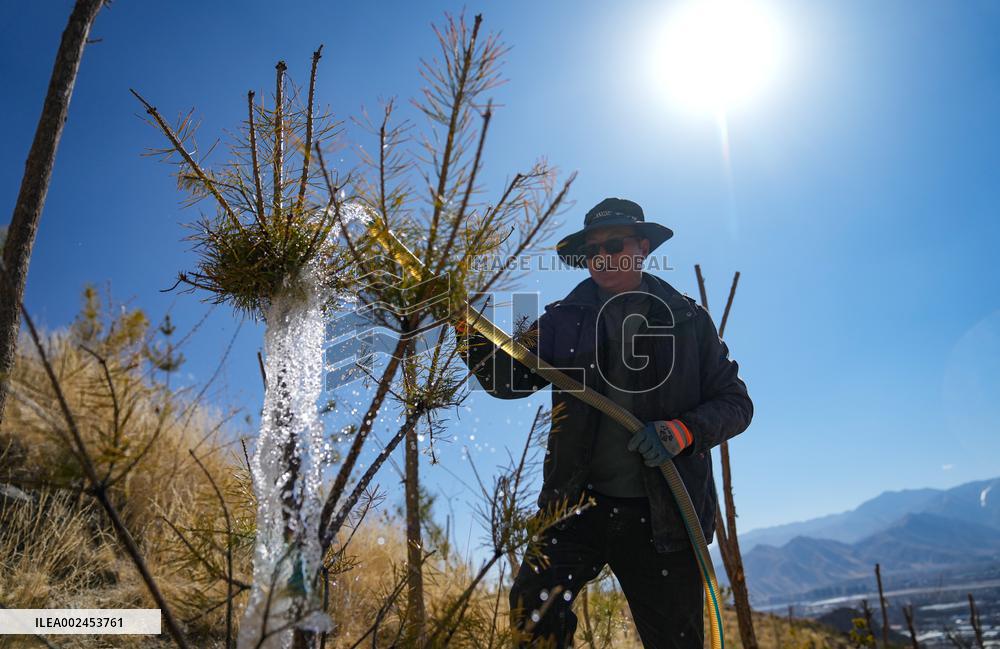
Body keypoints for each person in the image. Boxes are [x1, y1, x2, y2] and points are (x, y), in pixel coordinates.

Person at [456, 197, 753, 648]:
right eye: (591, 251)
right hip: (576, 508)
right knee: (532, 616)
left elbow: (736, 403)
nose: (602, 258)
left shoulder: (688, 320)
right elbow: (507, 378)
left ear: (642, 247)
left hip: (664, 520)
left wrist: (683, 432)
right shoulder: (562, 319)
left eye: (613, 244)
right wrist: (459, 324)